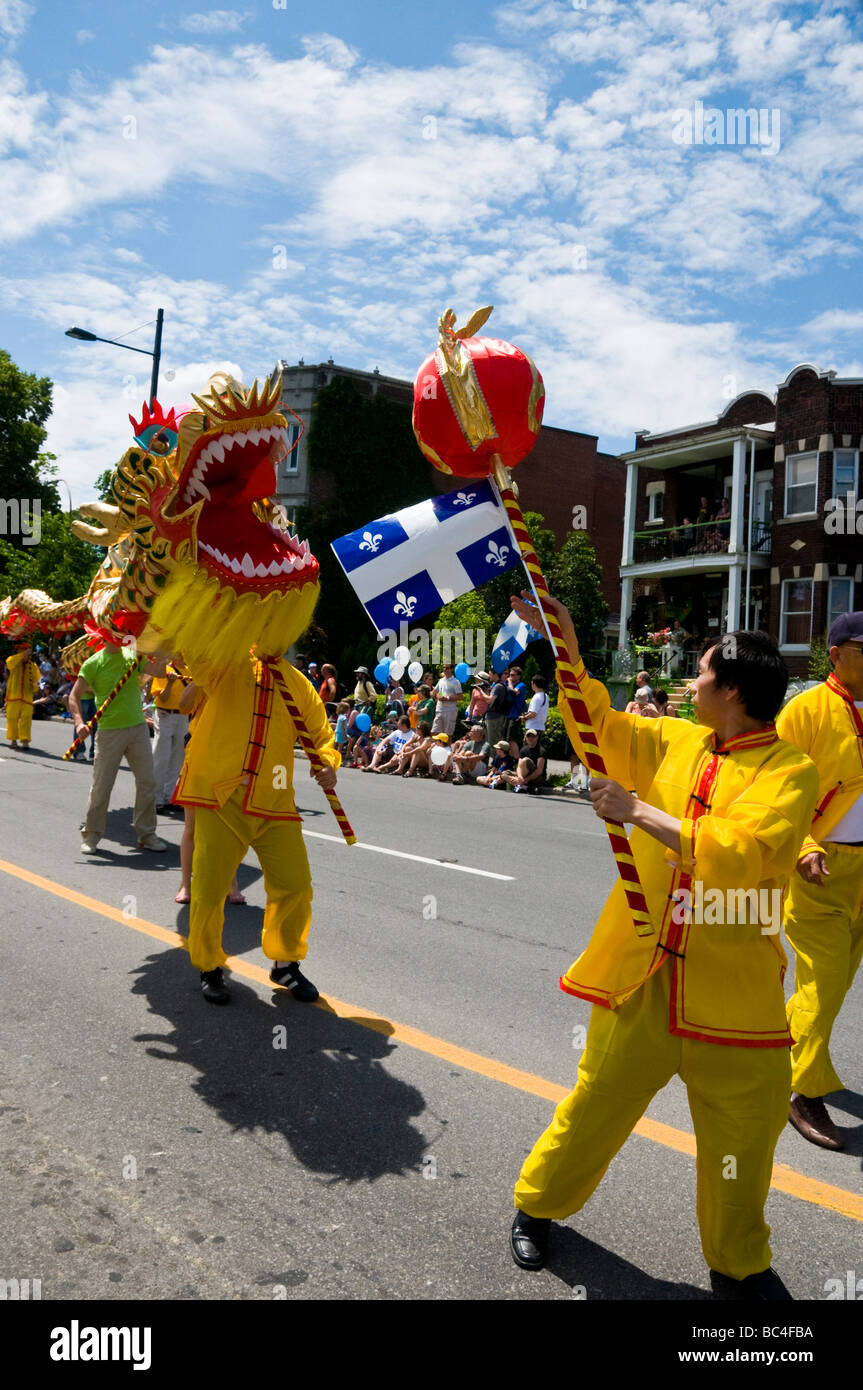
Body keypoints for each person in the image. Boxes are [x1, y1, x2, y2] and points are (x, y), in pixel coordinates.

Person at [508, 592, 819, 1300]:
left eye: (702, 675)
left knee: (743, 1142)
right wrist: (567, 650)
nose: (691, 685)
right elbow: (596, 726)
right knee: (593, 1108)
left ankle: (738, 1265)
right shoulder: (676, 741)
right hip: (643, 978)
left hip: (734, 1000)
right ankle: (536, 1204)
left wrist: (636, 810)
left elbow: (739, 856)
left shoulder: (788, 772)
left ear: (733, 691)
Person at [776, 610, 863, 1151]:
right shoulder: (806, 710)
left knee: (832, 985)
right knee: (824, 978)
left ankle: (773, 1050)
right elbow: (775, 785)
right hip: (818, 868)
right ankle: (801, 1090)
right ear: (835, 654)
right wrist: (803, 845)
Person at [68, 644, 167, 855]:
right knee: (101, 787)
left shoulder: (133, 654)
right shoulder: (93, 663)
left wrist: (164, 649)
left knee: (147, 782)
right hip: (109, 732)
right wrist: (79, 723)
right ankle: (92, 835)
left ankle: (147, 834)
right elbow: (73, 696)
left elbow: (158, 672)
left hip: (138, 729)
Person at [150, 658, 191, 812]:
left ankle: (169, 797)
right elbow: (163, 698)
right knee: (162, 756)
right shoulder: (163, 670)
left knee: (178, 757)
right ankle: (155, 798)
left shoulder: (190, 671)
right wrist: (170, 683)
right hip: (165, 714)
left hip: (183, 715)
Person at [4, 639, 40, 749]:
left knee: (26, 719)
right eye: (23, 650)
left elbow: (36, 679)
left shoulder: (33, 666)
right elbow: (9, 663)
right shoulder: (13, 661)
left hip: (27, 697)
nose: (26, 653)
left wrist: (33, 686)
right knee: (12, 719)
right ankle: (13, 740)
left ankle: (24, 740)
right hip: (13, 696)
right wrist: (22, 654)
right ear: (19, 651)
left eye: (27, 650)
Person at [431, 662, 462, 739]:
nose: (445, 669)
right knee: (434, 732)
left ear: (452, 669)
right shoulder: (441, 680)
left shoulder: (456, 682)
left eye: (447, 668)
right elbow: (434, 693)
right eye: (444, 667)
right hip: (439, 709)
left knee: (448, 735)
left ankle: (447, 750)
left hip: (450, 710)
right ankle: (438, 749)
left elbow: (460, 696)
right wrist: (438, 696)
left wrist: (447, 698)